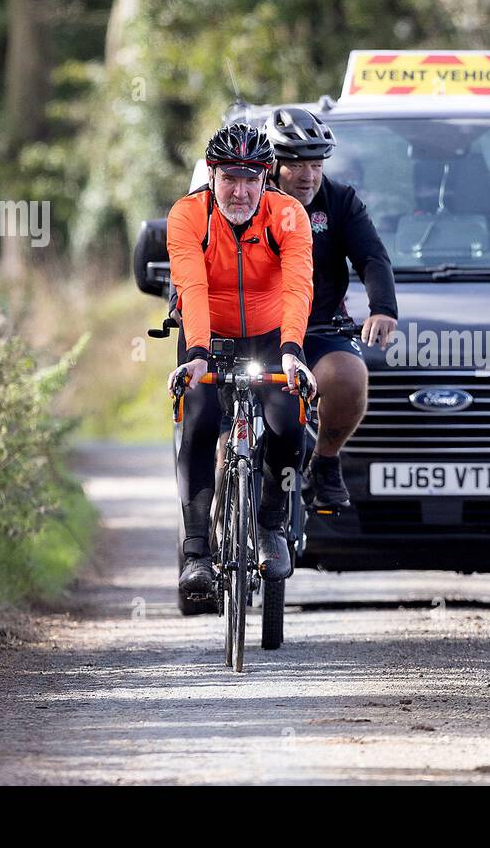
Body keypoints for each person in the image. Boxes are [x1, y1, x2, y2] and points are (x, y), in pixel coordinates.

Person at [166, 122, 316, 598]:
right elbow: (190, 284)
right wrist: (195, 356)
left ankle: (271, 526)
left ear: (266, 178)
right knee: (200, 420)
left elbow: (297, 286)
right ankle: (196, 554)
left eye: (252, 178)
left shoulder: (288, 215)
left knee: (289, 423)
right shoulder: (188, 216)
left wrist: (293, 353)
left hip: (273, 338)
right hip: (206, 338)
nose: (241, 190)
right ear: (211, 176)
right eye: (230, 177)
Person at [265, 106, 398, 508]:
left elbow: (372, 257)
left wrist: (382, 308)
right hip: (257, 330)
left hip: (318, 326)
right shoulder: (251, 199)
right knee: (228, 442)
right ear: (273, 165)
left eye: (317, 165)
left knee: (349, 377)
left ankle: (324, 461)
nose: (308, 176)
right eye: (297, 165)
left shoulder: (339, 201)